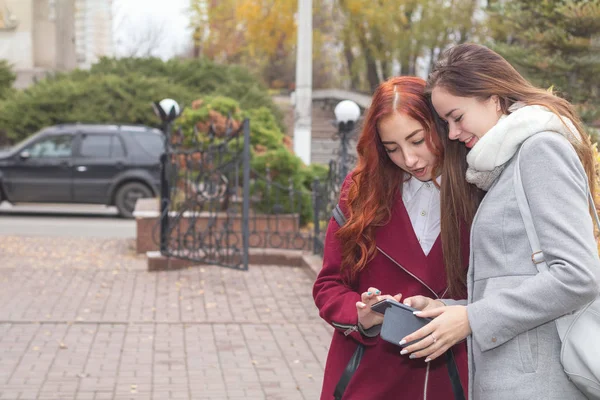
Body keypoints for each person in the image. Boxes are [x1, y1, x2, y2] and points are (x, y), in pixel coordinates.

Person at [400, 43, 600, 399]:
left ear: (493, 98)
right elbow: (515, 279)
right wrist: (447, 310)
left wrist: (472, 320)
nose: (452, 133)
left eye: (457, 117)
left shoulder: (540, 150)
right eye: (446, 122)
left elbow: (578, 275)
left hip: (541, 385)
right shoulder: (502, 167)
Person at [313, 76, 478, 399]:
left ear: (441, 126)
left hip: (451, 378)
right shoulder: (360, 193)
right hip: (368, 378)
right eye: (393, 149)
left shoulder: (480, 190)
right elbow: (328, 285)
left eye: (417, 140)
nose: (410, 159)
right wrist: (360, 313)